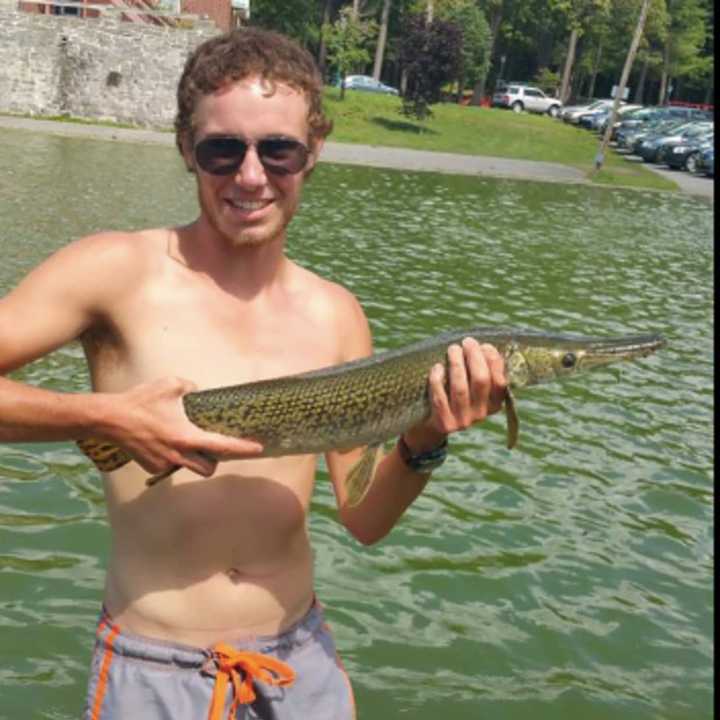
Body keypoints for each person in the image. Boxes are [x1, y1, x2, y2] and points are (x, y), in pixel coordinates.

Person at [0, 28, 507, 720]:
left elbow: (362, 518)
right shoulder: (114, 271)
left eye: (278, 150)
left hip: (299, 668)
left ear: (314, 151)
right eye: (222, 149)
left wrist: (426, 438)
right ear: (185, 148)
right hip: (153, 672)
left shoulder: (336, 313)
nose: (250, 176)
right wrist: (104, 416)